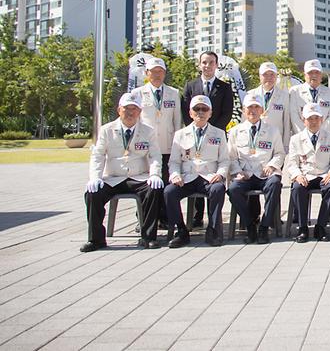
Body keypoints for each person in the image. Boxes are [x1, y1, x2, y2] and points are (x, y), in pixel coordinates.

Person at [82, 93, 163, 252]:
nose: (130, 112)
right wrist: (95, 177)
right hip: (113, 177)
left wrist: (155, 174)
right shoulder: (106, 130)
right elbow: (98, 155)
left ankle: (148, 237)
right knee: (92, 193)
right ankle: (96, 239)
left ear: (140, 111)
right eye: (126, 108)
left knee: (154, 190)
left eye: (134, 109)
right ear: (119, 110)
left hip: (137, 177)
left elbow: (155, 156)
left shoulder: (148, 131)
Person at [165, 95, 229, 248]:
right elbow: (174, 161)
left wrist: (220, 174)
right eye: (197, 109)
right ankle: (181, 230)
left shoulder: (219, 134)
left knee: (218, 188)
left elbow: (225, 160)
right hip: (187, 177)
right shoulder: (180, 134)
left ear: (210, 113)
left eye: (204, 109)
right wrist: (175, 175)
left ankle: (213, 229)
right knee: (169, 192)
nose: (200, 112)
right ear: (190, 113)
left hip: (208, 177)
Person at [181, 51, 234, 228]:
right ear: (199, 64)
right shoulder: (190, 86)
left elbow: (227, 112)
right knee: (196, 169)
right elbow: (186, 112)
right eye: (204, 62)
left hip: (216, 137)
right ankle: (197, 215)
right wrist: (198, 126)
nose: (207, 65)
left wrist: (212, 131)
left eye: (211, 62)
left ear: (216, 65)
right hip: (194, 135)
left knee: (212, 174)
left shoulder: (224, 87)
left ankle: (213, 215)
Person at [226, 93, 286, 244]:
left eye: (256, 107)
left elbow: (279, 153)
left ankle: (264, 227)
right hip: (244, 174)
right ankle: (250, 225)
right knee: (233, 189)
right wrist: (238, 171)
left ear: (262, 110)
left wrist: (272, 165)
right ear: (244, 111)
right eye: (249, 107)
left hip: (265, 173)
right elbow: (231, 156)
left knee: (274, 185)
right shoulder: (235, 131)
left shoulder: (272, 130)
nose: (253, 110)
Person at [133, 57, 182, 227]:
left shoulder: (173, 93)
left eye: (160, 71)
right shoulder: (137, 93)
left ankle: (166, 217)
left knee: (166, 182)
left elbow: (177, 120)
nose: (156, 75)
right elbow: (135, 121)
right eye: (153, 72)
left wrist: (177, 143)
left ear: (164, 73)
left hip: (167, 144)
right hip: (145, 147)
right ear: (147, 73)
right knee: (146, 183)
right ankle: (143, 218)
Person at [285, 103, 330, 243]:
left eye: (316, 118)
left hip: (324, 174)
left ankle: (320, 226)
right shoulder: (295, 139)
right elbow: (292, 163)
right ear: (304, 120)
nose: (313, 122)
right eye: (310, 118)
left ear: (321, 119)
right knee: (297, 188)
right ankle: (302, 227)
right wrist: (297, 175)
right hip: (306, 174)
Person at [247, 61, 291, 152]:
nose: (269, 78)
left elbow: (287, 123)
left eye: (272, 74)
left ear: (276, 76)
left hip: (276, 143)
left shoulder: (284, 96)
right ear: (259, 76)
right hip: (255, 142)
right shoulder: (250, 94)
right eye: (265, 74)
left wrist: (285, 147)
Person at [289, 59, 330, 135]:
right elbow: (294, 117)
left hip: (324, 137)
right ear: (305, 75)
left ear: (321, 75)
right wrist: (305, 135)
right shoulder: (295, 91)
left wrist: (320, 134)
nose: (314, 75)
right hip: (301, 137)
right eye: (310, 73)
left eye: (317, 72)